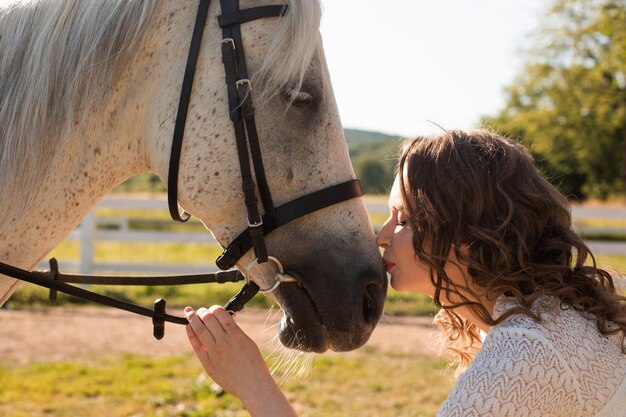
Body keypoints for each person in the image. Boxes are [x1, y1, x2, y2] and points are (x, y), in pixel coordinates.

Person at [184, 129, 626, 416]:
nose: (381, 235)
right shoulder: (573, 306)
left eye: (404, 218)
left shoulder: (520, 362)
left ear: (469, 235)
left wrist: (253, 385)